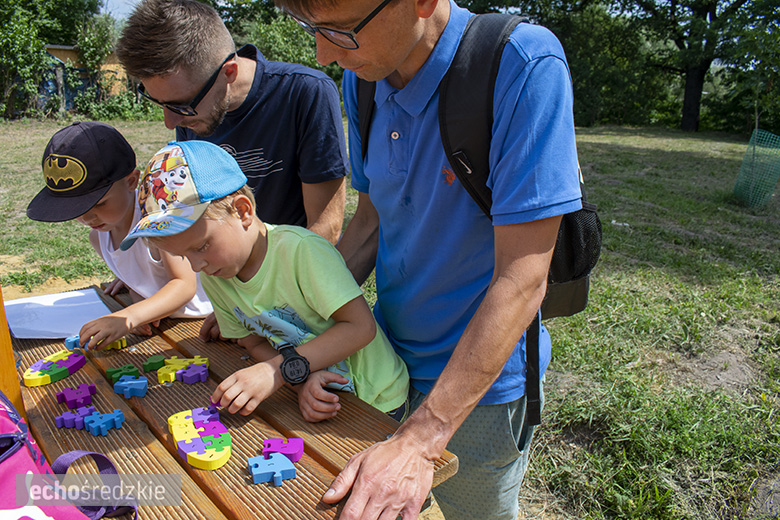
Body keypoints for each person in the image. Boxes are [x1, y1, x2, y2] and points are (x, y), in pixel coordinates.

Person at [272, 0, 584, 518]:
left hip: (479, 392)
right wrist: (293, 324)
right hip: (385, 363)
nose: (324, 54)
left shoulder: (521, 65)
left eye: (343, 32)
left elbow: (524, 277)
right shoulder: (365, 76)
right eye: (312, 29)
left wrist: (423, 437)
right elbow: (370, 223)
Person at [120, 140, 410, 423]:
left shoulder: (301, 252)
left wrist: (275, 372)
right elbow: (253, 341)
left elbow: (360, 328)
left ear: (243, 211)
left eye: (201, 246)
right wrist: (298, 380)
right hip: (321, 393)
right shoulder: (215, 277)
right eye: (182, 256)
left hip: (378, 400)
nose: (197, 266)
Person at [115, 0, 349, 340]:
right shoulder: (194, 109)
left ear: (228, 72)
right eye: (160, 104)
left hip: (294, 300)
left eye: (180, 105)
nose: (171, 121)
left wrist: (260, 309)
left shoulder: (304, 93)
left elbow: (325, 227)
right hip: (235, 290)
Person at [26, 122, 212, 350]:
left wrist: (129, 317)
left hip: (210, 322)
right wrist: (134, 283)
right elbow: (142, 279)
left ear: (132, 181)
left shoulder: (157, 220)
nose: (88, 219)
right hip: (170, 327)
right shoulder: (99, 238)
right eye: (76, 209)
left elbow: (184, 285)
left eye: (99, 203)